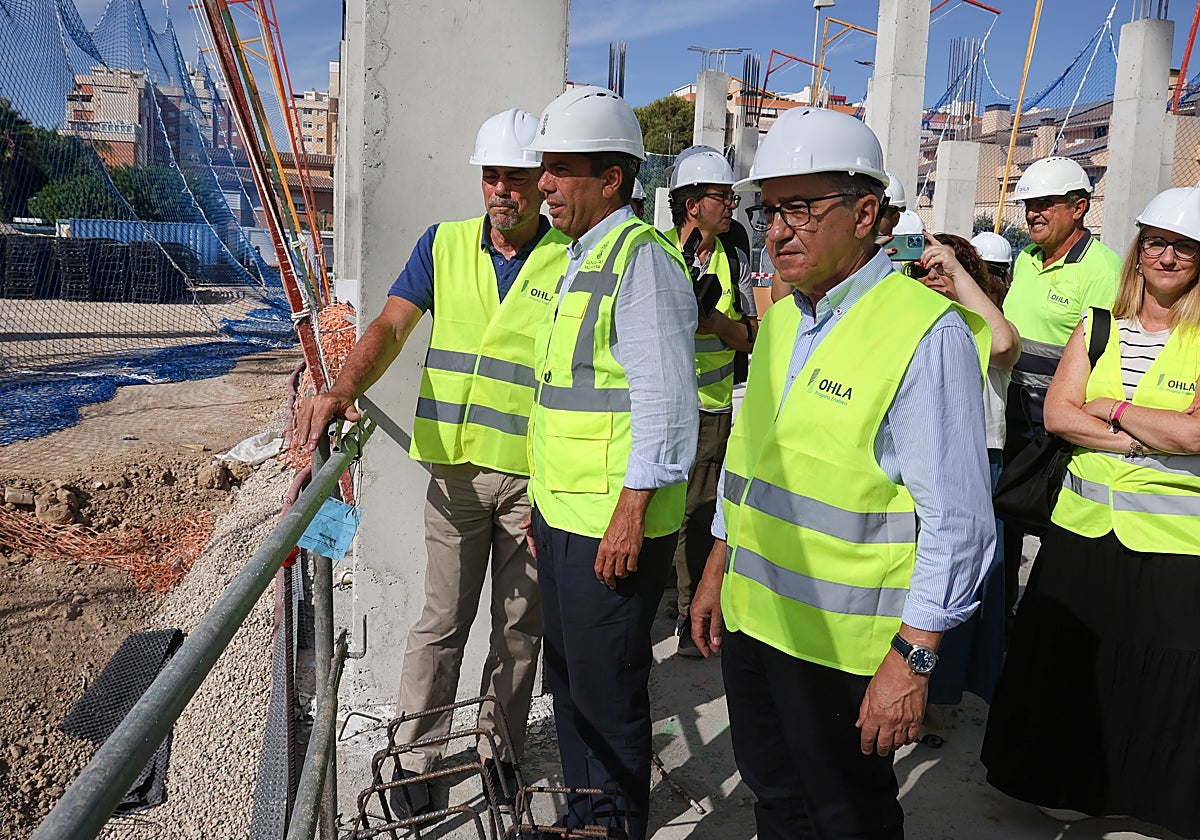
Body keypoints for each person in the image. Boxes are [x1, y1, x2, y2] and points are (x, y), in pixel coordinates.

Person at [689, 106, 995, 839]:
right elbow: (750, 457)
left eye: (802, 207)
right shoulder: (785, 320)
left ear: (865, 214)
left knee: (844, 815)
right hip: (757, 620)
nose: (778, 228)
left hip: (843, 645)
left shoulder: (924, 332)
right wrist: (716, 566)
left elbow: (961, 523)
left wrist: (913, 659)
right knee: (776, 799)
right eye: (770, 209)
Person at [291, 108, 569, 815]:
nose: (501, 189)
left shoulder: (571, 260)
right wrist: (340, 386)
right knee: (441, 621)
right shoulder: (443, 247)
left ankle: (498, 752)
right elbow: (389, 324)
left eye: (514, 176)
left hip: (537, 481)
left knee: (518, 626)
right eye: (491, 176)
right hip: (455, 475)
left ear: (541, 182)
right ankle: (417, 764)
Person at [982, 186, 1200, 836]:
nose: (1166, 255)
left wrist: (1113, 411)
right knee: (1072, 667)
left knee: (1162, 671)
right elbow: (1057, 413)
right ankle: (1065, 788)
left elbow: (1196, 437)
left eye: (1183, 246)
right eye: (1157, 242)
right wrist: (1148, 433)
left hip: (1173, 544)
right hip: (1081, 533)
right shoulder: (1100, 324)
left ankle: (1146, 797)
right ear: (1138, 250)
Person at [521, 85, 697, 840]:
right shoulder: (575, 256)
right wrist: (540, 504)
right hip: (568, 515)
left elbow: (666, 402)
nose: (545, 184)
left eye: (562, 168)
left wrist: (631, 511)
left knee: (607, 692)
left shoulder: (642, 260)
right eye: (545, 169)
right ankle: (583, 819)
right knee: (568, 683)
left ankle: (612, 828)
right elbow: (563, 398)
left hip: (613, 525)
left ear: (612, 179)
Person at [1000, 155, 1122, 626]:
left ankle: (1051, 622)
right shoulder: (1026, 259)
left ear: (1079, 207)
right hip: (1012, 413)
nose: (1033, 213)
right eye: (1029, 204)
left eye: (1046, 204)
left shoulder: (1101, 268)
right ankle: (1007, 617)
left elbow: (1102, 353)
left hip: (1056, 427)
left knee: (1054, 527)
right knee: (1006, 516)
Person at [908, 232, 1021, 708]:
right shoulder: (913, 319)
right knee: (920, 579)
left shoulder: (979, 322)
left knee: (969, 579)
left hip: (979, 461)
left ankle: (942, 695)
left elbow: (1002, 345)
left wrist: (954, 268)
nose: (934, 280)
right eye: (925, 271)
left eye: (944, 271)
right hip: (919, 460)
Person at [666, 145, 758, 657]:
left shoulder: (734, 254)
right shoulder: (658, 252)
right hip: (665, 403)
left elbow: (749, 335)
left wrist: (716, 323)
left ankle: (686, 615)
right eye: (723, 197)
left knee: (699, 512)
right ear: (691, 204)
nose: (732, 207)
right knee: (668, 510)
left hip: (711, 406)